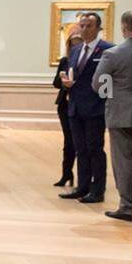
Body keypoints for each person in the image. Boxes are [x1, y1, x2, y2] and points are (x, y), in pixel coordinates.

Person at [58, 11, 113, 204]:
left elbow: (109, 82)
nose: (84, 29)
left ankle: (97, 190)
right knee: (80, 149)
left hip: (95, 108)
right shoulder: (75, 50)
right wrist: (66, 82)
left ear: (98, 28)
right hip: (75, 107)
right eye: (82, 25)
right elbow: (73, 74)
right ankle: (82, 187)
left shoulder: (108, 50)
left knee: (95, 150)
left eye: (89, 25)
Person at [94, 10, 132, 221]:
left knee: (124, 160)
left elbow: (99, 85)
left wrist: (113, 95)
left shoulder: (113, 54)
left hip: (121, 111)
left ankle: (127, 205)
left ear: (123, 27)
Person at [51, 30, 83, 187]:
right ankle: (66, 174)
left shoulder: (85, 61)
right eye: (73, 44)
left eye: (78, 43)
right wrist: (62, 79)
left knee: (81, 142)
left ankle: (83, 177)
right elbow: (56, 83)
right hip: (65, 104)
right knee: (68, 140)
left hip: (81, 104)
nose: (75, 46)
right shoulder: (65, 60)